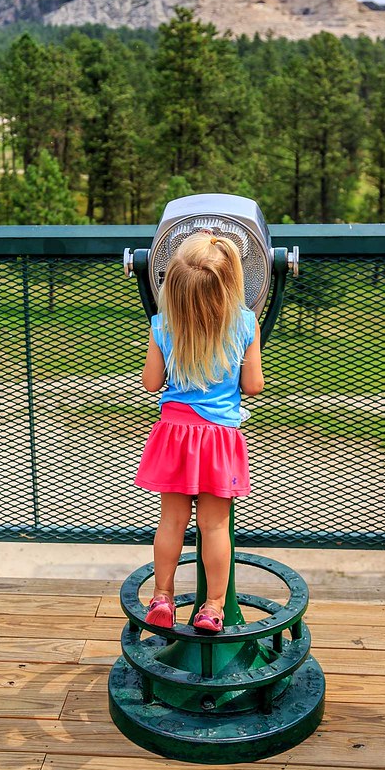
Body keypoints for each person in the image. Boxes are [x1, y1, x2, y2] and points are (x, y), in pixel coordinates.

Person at [134, 232, 264, 634]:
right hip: (218, 439)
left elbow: (151, 383)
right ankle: (212, 608)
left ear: (171, 285)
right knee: (214, 527)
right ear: (233, 282)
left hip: (174, 435)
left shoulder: (162, 325)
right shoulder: (245, 323)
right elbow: (254, 385)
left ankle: (163, 597)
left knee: (171, 523)